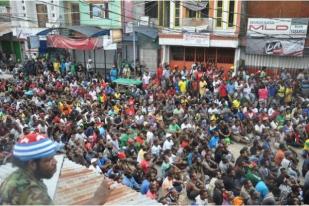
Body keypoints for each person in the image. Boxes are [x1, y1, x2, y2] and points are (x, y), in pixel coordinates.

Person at [0, 133, 111, 205]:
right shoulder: (30, 192)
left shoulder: (20, 177)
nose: (55, 162)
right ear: (32, 164)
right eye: (48, 160)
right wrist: (96, 201)